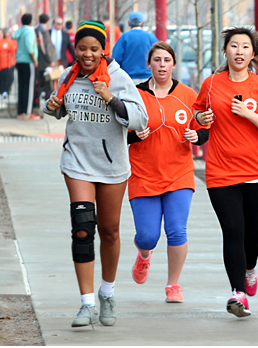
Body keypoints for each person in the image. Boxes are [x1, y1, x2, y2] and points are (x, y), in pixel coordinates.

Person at [43, 20, 149, 328]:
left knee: (110, 231)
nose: (87, 55)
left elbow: (139, 119)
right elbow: (60, 109)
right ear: (74, 49)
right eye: (82, 48)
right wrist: (53, 105)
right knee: (82, 227)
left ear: (104, 50)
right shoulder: (68, 75)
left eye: (94, 49)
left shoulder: (118, 78)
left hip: (111, 165)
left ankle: (107, 293)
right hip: (76, 160)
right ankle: (86, 303)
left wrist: (111, 98)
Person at [193, 27, 258, 318]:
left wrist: (249, 114)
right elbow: (197, 113)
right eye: (234, 46)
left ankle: (250, 268)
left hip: (257, 170)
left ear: (252, 54)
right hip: (220, 171)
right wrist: (200, 118)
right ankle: (238, 294)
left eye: (245, 47)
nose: (239, 51)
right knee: (232, 231)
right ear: (225, 51)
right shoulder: (212, 84)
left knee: (252, 236)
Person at [127, 41, 209, 303]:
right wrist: (133, 136)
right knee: (148, 236)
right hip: (143, 172)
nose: (162, 65)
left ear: (174, 64)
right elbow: (120, 129)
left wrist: (196, 135)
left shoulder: (187, 95)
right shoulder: (135, 95)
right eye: (157, 60)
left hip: (179, 173)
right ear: (149, 64)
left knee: (177, 231)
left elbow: (203, 130)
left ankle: (173, 285)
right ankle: (144, 255)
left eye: (167, 60)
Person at [112, 12, 158, 84]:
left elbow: (116, 58)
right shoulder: (151, 37)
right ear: (142, 23)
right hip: (148, 78)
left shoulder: (124, 38)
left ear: (129, 23)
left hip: (128, 78)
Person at [14, 13, 39, 120]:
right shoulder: (29, 31)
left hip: (19, 60)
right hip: (28, 61)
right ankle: (27, 112)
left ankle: (20, 111)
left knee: (22, 86)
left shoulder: (19, 31)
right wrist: (34, 60)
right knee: (29, 87)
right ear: (31, 21)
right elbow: (29, 47)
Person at [35, 14, 57, 105]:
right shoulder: (43, 31)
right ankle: (48, 104)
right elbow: (45, 47)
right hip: (45, 62)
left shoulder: (36, 30)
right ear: (47, 21)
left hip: (39, 61)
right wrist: (50, 60)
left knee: (39, 83)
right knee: (48, 84)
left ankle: (38, 103)